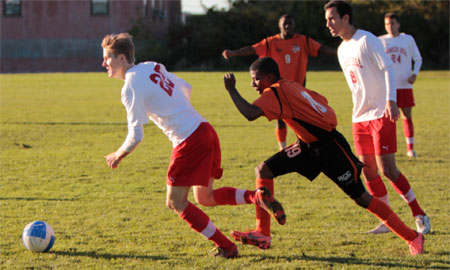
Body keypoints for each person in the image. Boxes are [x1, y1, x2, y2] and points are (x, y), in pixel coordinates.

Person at [101, 33, 286, 259]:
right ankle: (255, 198)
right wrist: (176, 110)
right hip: (205, 129)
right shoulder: (152, 66)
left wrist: (118, 155)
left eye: (107, 58)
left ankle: (227, 247)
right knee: (204, 197)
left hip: (189, 140)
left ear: (121, 58)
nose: (104, 63)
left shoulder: (129, 86)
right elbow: (185, 87)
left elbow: (136, 135)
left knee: (175, 202)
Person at [223, 56, 424, 255]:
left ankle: (413, 237)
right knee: (263, 170)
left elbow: (250, 113)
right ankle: (262, 232)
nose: (252, 84)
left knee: (361, 198)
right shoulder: (290, 85)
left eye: (256, 79)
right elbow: (322, 101)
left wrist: (231, 90)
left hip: (331, 148)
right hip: (307, 145)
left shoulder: (276, 92)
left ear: (269, 76)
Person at [323, 0, 430, 235]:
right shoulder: (342, 50)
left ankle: (419, 214)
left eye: (332, 18)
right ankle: (387, 220)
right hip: (359, 117)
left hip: (381, 113)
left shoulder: (367, 40)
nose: (328, 23)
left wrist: (391, 101)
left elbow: (388, 68)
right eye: (327, 19)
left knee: (387, 169)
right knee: (368, 171)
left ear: (346, 18)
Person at [222, 14, 336, 150]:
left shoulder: (303, 41)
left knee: (300, 119)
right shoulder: (271, 42)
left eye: (290, 24)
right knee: (282, 121)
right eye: (285, 24)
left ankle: (305, 144)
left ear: (294, 26)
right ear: (279, 26)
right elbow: (253, 49)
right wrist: (234, 53)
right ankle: (283, 148)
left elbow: (321, 48)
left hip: (296, 89)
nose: (287, 26)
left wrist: (341, 51)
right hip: (279, 90)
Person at [379, 12, 423, 158]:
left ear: (398, 24)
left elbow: (418, 59)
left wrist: (414, 74)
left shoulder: (407, 39)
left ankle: (410, 148)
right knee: (387, 119)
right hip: (388, 87)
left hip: (404, 85)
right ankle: (386, 148)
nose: (390, 26)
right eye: (387, 24)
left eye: (392, 23)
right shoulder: (380, 41)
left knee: (407, 115)